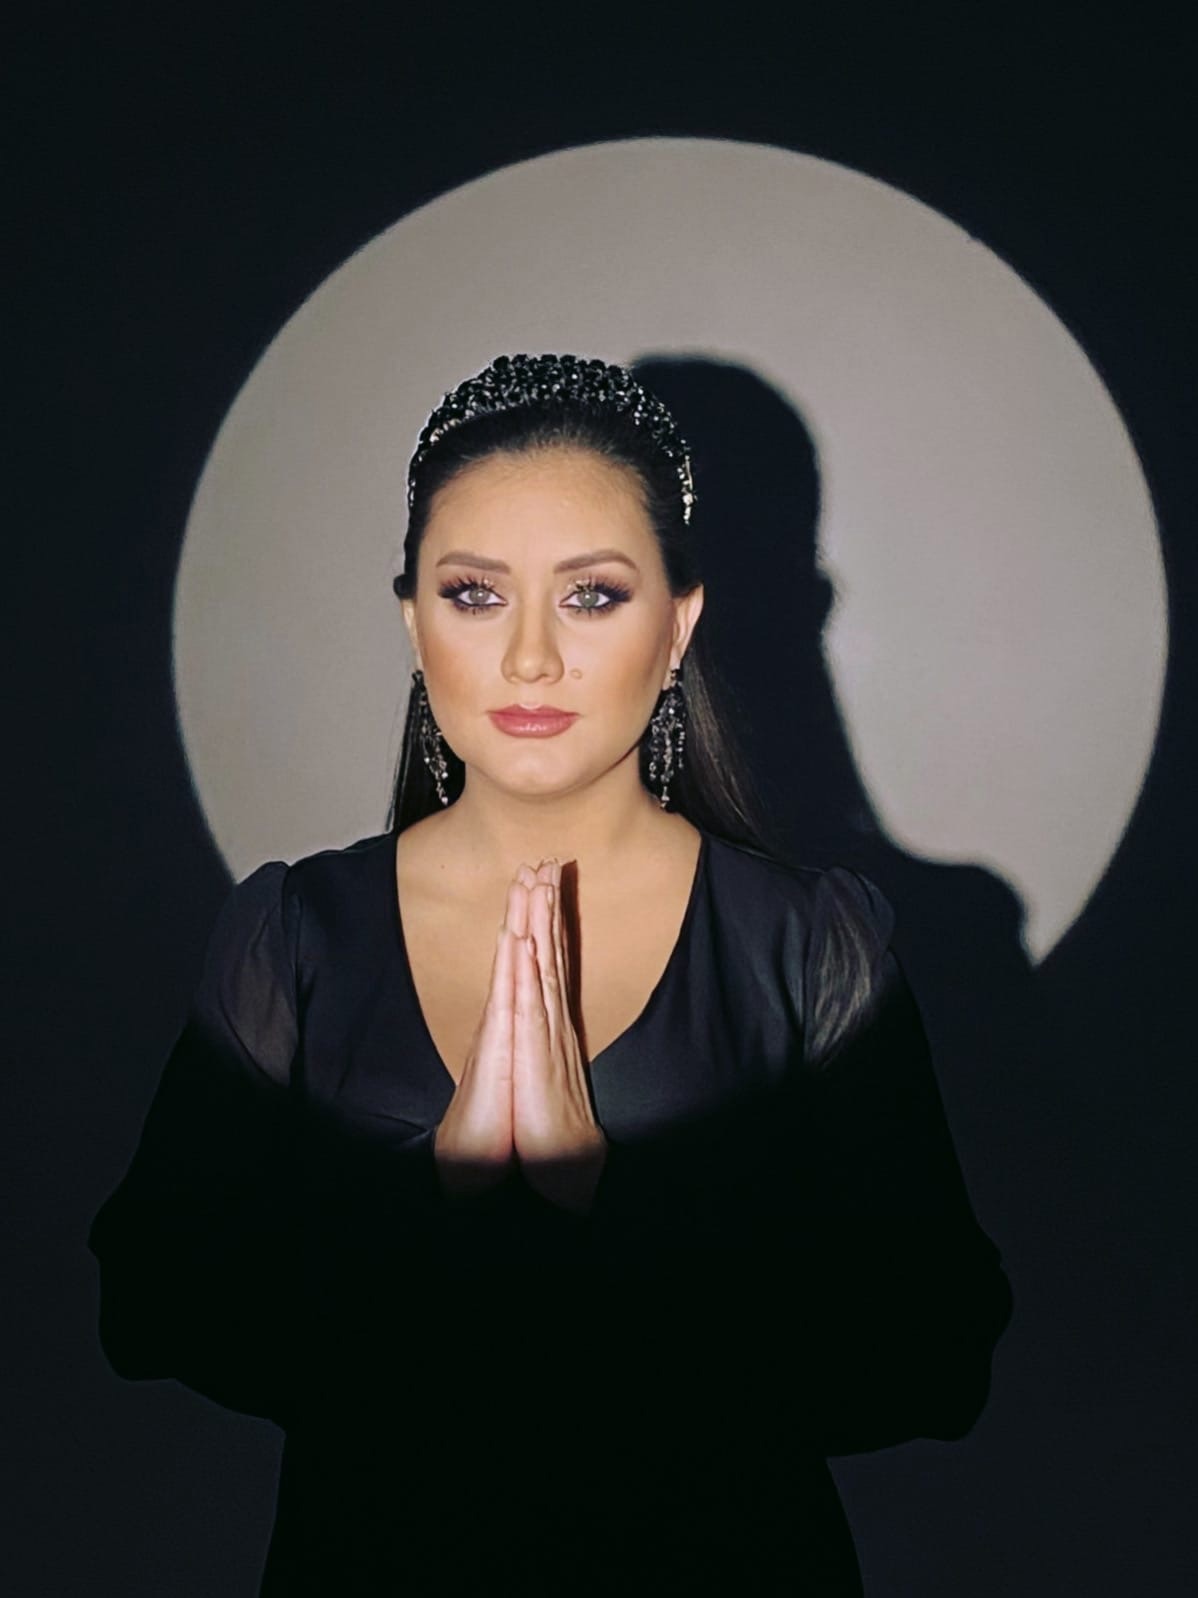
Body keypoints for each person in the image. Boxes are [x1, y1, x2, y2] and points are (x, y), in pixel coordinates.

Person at [88, 352, 1013, 1595]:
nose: (529, 658)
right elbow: (151, 1305)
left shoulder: (811, 946)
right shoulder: (296, 934)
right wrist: (436, 1202)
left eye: (591, 596)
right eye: (475, 593)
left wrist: (607, 1213)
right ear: (412, 620)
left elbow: (935, 1360)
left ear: (677, 623)